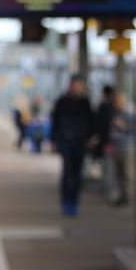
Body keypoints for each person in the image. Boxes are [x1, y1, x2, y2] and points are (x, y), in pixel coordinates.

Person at [50, 75, 93, 216]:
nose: (76, 87)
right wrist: (54, 141)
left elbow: (90, 121)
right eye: (74, 84)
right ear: (70, 85)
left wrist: (90, 138)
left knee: (77, 174)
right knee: (67, 172)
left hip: (80, 142)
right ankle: (66, 202)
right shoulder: (62, 102)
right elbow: (54, 121)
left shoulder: (85, 102)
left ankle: (74, 202)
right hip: (65, 141)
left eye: (79, 85)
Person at [106, 91, 136, 206]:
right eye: (115, 101)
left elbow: (132, 132)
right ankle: (122, 196)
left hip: (127, 147)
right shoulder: (114, 115)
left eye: (119, 101)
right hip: (116, 147)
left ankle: (129, 197)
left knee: (128, 174)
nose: (117, 103)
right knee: (119, 173)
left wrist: (120, 126)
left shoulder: (128, 115)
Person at [93, 85, 115, 196]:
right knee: (110, 166)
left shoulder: (103, 106)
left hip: (105, 141)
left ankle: (108, 188)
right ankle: (110, 189)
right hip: (112, 142)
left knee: (107, 165)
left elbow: (99, 124)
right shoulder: (114, 107)